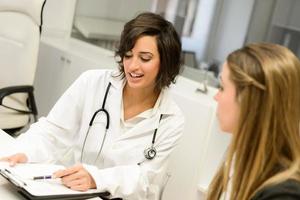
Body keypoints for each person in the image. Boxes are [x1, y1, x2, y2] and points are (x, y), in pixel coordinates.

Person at [1, 12, 184, 200]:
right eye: (128, 55)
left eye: (144, 58)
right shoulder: (92, 82)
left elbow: (146, 179)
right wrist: (23, 151)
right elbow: (52, 131)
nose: (132, 66)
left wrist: (96, 178)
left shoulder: (171, 119)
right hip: (76, 194)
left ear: (165, 62)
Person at [207, 43, 300, 200]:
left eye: (222, 87)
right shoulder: (240, 159)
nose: (216, 96)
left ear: (248, 101)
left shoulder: (283, 195)